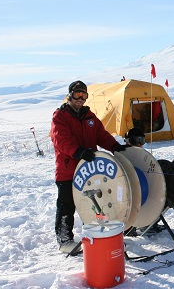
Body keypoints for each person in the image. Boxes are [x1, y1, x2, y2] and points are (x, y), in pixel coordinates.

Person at [50, 80, 129, 254]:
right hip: (69, 170)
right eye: (77, 95)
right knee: (67, 205)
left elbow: (101, 135)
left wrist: (115, 147)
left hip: (90, 172)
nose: (80, 99)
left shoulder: (89, 116)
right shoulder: (60, 116)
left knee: (95, 202)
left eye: (83, 95)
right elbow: (61, 140)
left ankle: (99, 234)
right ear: (70, 96)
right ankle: (64, 240)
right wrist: (78, 152)